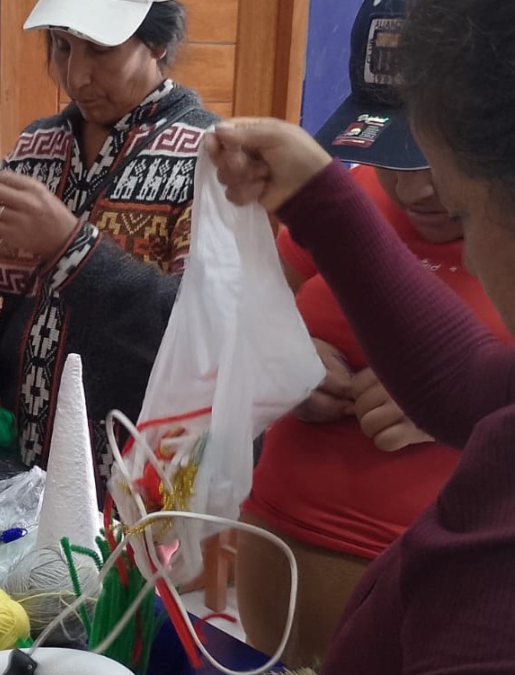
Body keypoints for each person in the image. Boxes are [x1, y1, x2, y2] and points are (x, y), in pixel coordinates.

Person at [207, 0, 515, 668]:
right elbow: (470, 380)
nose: (417, 192)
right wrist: (317, 194)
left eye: (459, 205)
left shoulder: (490, 595)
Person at [0, 0, 218, 485]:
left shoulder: (207, 158)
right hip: (13, 476)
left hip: (132, 488)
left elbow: (197, 327)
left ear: (157, 43)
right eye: (61, 47)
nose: (76, 76)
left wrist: (70, 247)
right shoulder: (37, 149)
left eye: (100, 51)